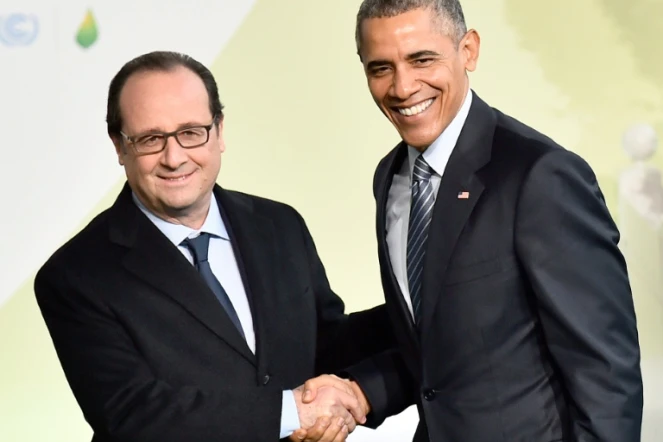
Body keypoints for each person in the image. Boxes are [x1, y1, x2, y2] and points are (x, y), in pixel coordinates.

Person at [303, 1, 644, 441]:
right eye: (380, 68)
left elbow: (606, 370)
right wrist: (361, 391)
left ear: (469, 51)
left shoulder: (541, 176)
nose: (403, 87)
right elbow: (440, 343)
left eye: (422, 59)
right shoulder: (390, 177)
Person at [34, 50, 393, 442]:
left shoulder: (279, 225)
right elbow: (133, 416)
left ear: (220, 132)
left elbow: (324, 346)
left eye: (191, 132)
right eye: (151, 139)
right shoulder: (75, 276)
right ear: (120, 147)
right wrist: (292, 411)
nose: (174, 158)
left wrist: (423, 311)